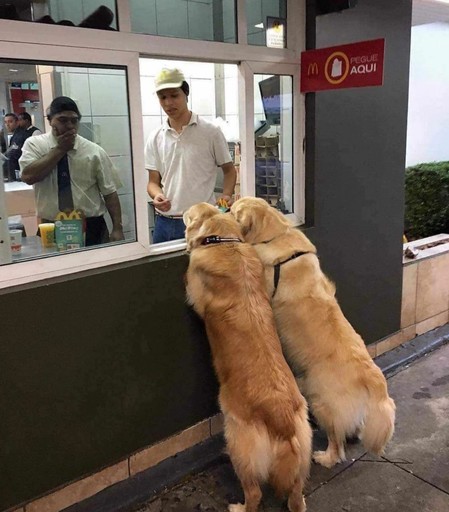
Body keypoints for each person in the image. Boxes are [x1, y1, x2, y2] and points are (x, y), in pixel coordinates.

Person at [145, 67, 237, 243]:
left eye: (174, 95)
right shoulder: (156, 136)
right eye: (163, 97)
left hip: (203, 221)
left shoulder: (210, 132)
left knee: (205, 270)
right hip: (165, 222)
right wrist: (156, 195)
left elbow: (229, 170)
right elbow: (152, 182)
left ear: (186, 94)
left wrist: (225, 198)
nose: (168, 103)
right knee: (163, 270)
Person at [20, 96, 124, 246]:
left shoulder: (94, 151)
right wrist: (60, 149)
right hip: (52, 226)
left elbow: (110, 193)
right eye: (62, 120)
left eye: (74, 120)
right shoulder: (35, 145)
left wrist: (117, 228)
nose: (69, 125)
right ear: (50, 120)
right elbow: (28, 176)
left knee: (96, 268)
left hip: (91, 224)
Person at [1, 113, 29, 181]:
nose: (7, 125)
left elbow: (14, 154)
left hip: (20, 170)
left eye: (10, 122)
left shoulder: (20, 135)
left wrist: (4, 156)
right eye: (5, 122)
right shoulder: (16, 135)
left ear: (17, 122)